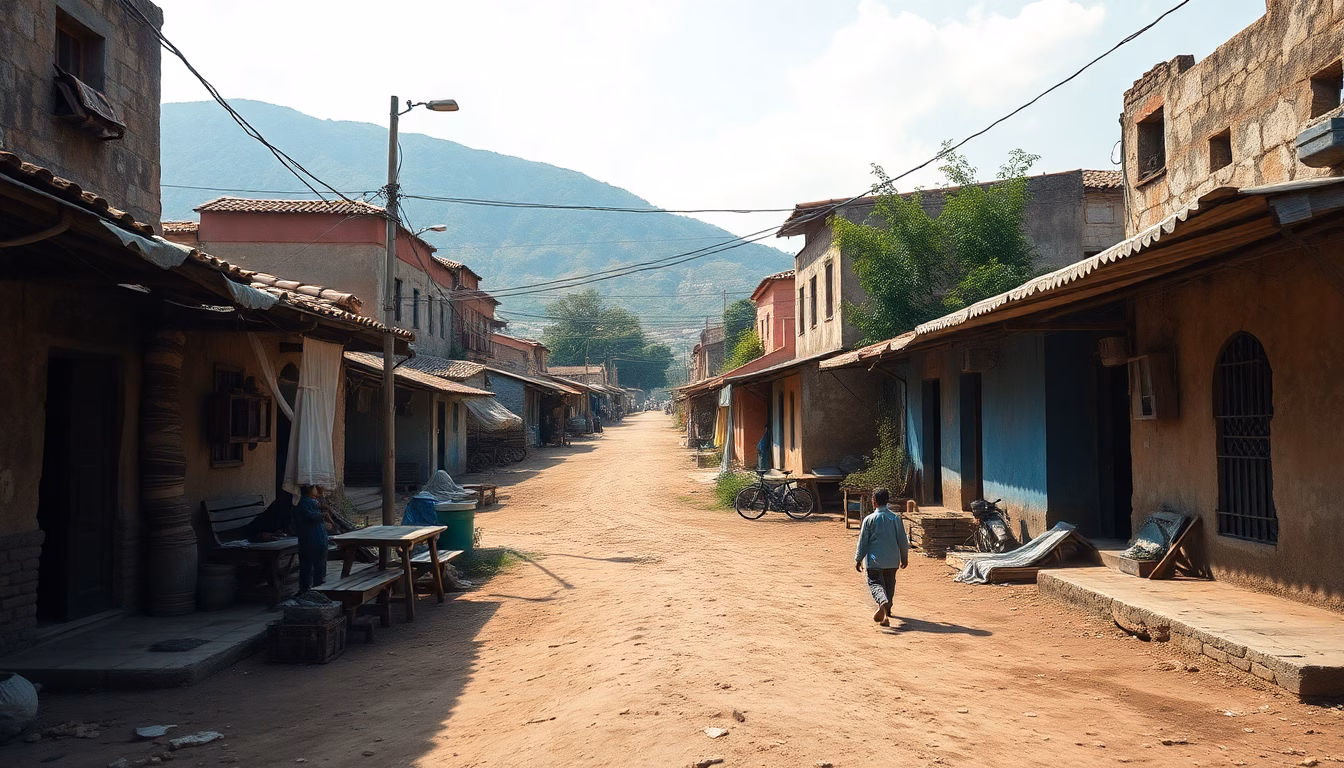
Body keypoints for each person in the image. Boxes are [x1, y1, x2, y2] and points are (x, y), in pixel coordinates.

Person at [854, 487, 909, 627]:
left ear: (874, 501)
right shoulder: (895, 518)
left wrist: (858, 558)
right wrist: (904, 557)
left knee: (876, 584)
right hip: (892, 561)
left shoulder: (869, 519)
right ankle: (887, 610)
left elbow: (863, 541)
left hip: (874, 561)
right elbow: (903, 540)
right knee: (889, 585)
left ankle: (882, 602)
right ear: (887, 501)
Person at [295, 484, 329, 592]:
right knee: (314, 564)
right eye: (314, 487)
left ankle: (309, 587)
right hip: (312, 538)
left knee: (309, 564)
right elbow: (309, 516)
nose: (317, 489)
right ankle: (314, 587)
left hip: (313, 538)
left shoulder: (313, 501)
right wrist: (323, 515)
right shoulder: (305, 502)